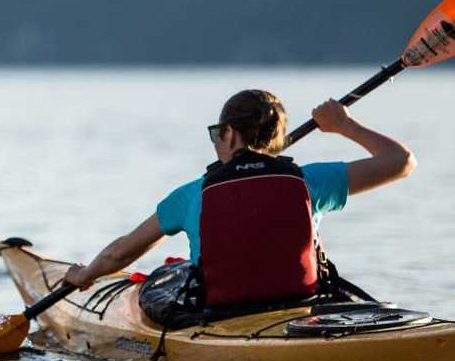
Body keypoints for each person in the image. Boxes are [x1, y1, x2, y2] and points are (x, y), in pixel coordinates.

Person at [61, 90, 414, 313]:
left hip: (221, 315)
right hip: (300, 308)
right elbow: (401, 162)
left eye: (217, 134)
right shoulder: (310, 181)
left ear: (229, 133)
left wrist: (85, 275)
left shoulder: (193, 194)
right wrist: (345, 126)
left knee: (171, 273)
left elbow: (120, 254)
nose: (216, 142)